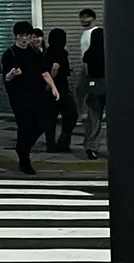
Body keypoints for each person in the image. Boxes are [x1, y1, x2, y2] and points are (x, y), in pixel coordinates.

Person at [2, 19, 60, 175]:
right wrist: (12, 74)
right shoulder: (10, 53)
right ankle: (24, 160)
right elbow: (5, 77)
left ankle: (22, 147)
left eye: (27, 35)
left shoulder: (34, 52)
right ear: (16, 36)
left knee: (43, 124)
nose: (24, 38)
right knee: (24, 126)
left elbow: (44, 71)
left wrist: (54, 87)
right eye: (21, 35)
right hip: (19, 97)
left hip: (37, 94)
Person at [43, 27, 78, 153]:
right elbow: (55, 67)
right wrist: (51, 84)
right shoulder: (61, 52)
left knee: (50, 119)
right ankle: (63, 142)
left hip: (49, 90)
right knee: (71, 115)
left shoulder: (47, 52)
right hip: (60, 88)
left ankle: (51, 145)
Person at [81, 15, 105, 159]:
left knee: (94, 117)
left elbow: (85, 63)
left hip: (94, 85)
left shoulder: (90, 52)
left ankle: (91, 146)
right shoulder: (110, 52)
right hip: (109, 85)